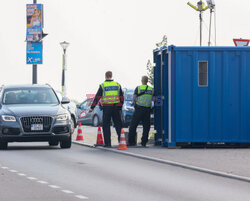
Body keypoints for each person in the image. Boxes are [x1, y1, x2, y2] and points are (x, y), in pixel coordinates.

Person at [89, 71, 124, 147]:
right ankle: (122, 142)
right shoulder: (117, 85)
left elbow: (97, 97)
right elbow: (121, 98)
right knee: (118, 125)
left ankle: (108, 143)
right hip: (116, 108)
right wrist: (120, 108)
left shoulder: (103, 85)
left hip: (107, 108)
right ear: (112, 76)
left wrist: (92, 107)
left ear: (105, 76)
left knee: (106, 125)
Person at [128, 76, 153, 147]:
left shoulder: (138, 88)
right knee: (146, 127)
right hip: (147, 110)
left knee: (133, 126)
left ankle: (131, 142)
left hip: (139, 109)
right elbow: (154, 99)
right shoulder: (151, 89)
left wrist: (135, 104)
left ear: (141, 81)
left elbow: (134, 98)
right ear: (147, 81)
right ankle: (144, 142)